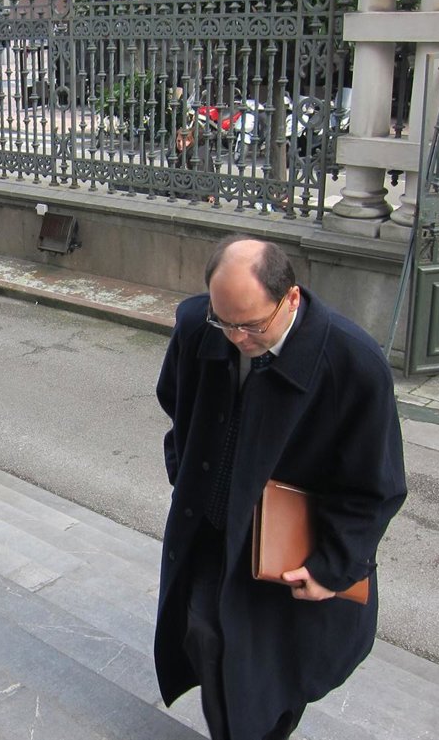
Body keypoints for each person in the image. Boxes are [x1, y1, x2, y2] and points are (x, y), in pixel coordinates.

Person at [154, 235, 406, 739]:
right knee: (208, 640)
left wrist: (332, 567)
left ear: (290, 297)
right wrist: (187, 475)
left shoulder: (353, 363)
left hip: (291, 555)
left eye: (251, 325)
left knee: (272, 673)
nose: (236, 337)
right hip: (212, 531)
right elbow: (174, 401)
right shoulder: (198, 325)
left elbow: (375, 485)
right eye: (224, 321)